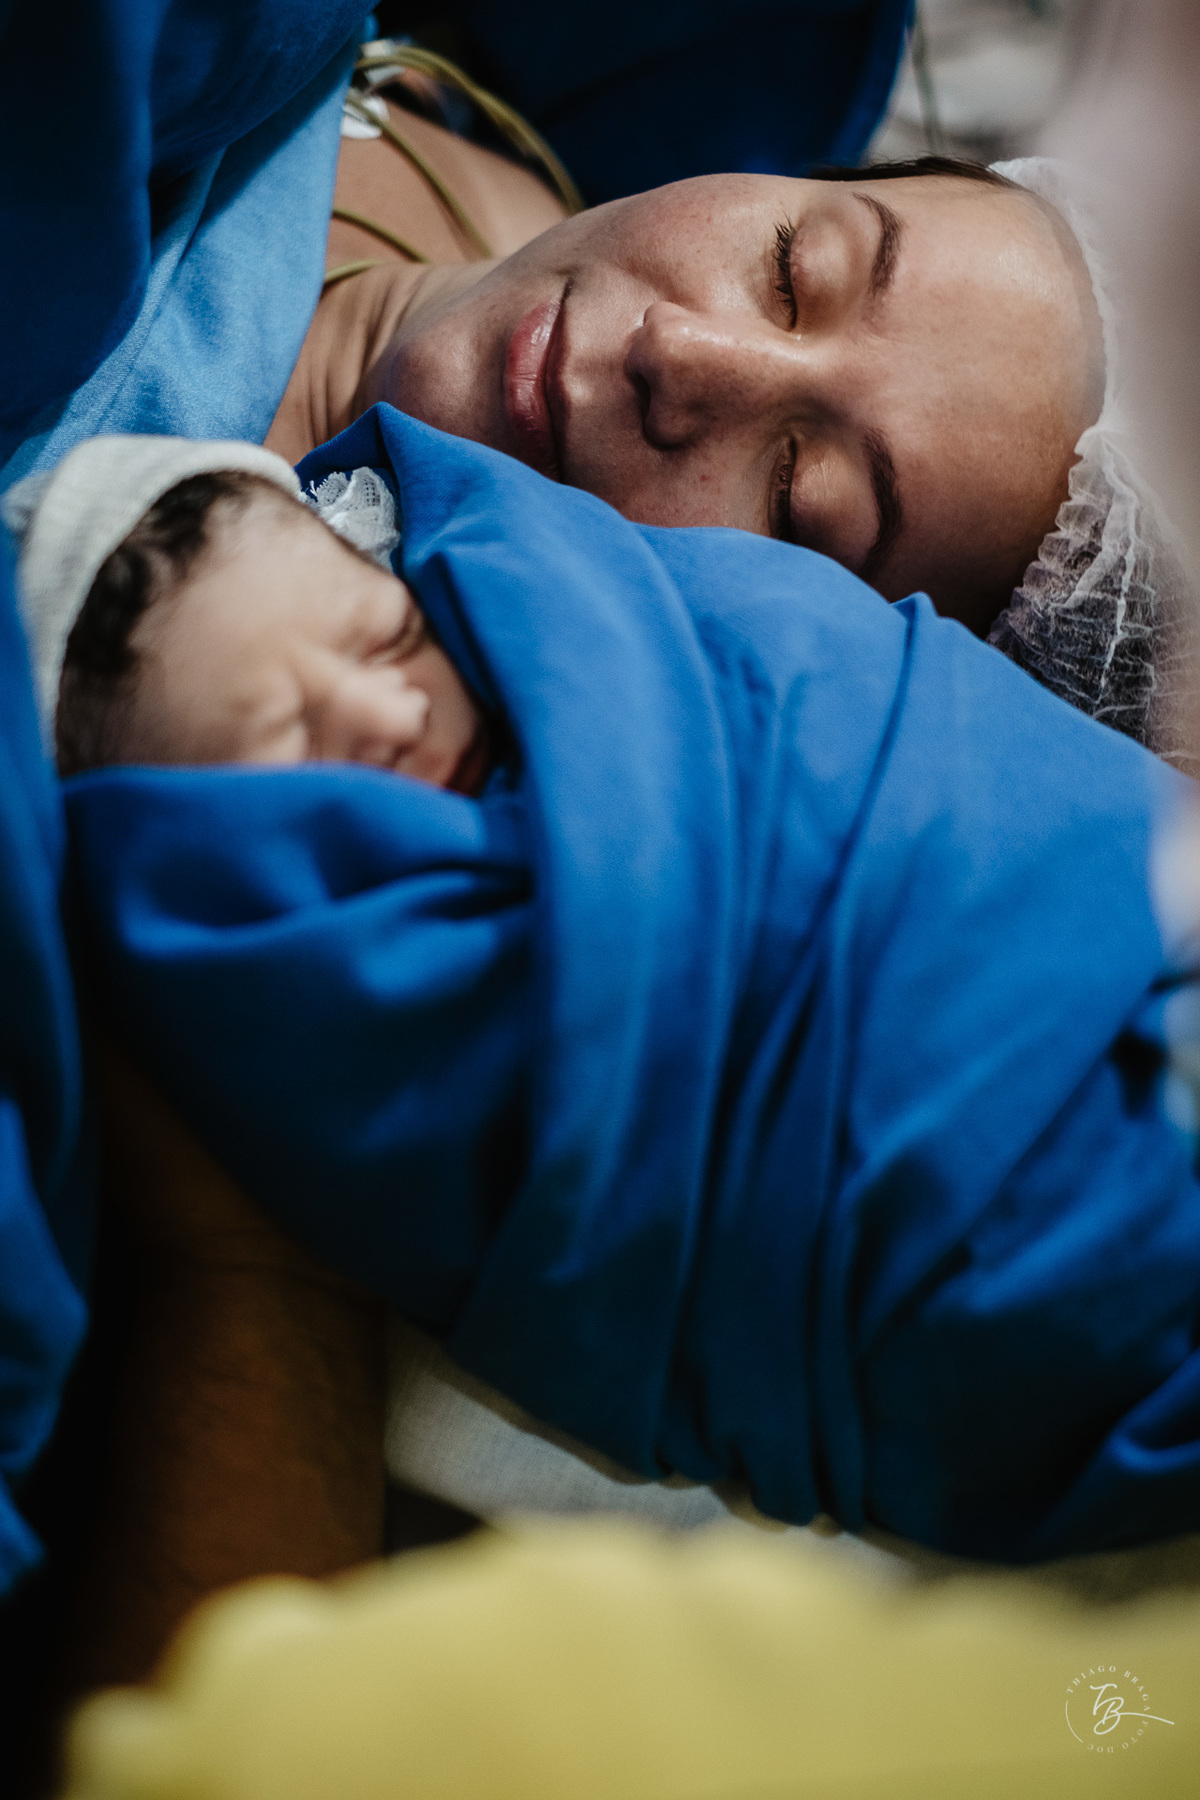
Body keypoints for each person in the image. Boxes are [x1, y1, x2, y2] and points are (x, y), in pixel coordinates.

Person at [17, 406, 1200, 1585]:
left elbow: (841, 687)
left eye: (385, 639)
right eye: (296, 755)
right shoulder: (309, 1056)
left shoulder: (632, 619)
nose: (393, 718)